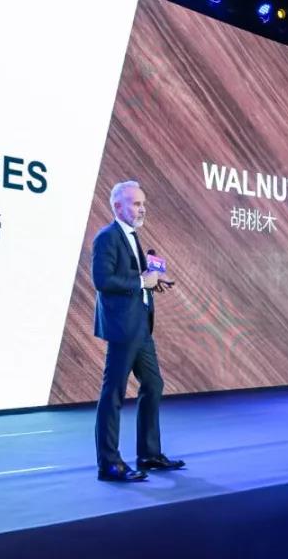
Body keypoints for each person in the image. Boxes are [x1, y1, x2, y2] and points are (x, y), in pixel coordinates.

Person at [93, 180, 185, 482]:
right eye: (136, 204)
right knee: (113, 394)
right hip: (122, 328)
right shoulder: (107, 237)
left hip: (141, 326)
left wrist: (152, 283)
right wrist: (140, 282)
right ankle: (109, 464)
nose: (142, 209)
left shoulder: (133, 236)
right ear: (117, 206)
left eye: (143, 203)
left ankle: (148, 454)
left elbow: (134, 279)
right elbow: (102, 280)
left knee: (153, 384)